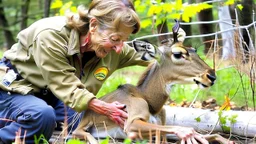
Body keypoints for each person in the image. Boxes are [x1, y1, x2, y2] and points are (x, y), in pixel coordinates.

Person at [0, 0, 209, 144]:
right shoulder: (50, 36)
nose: (120, 48)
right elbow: (65, 84)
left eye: (124, 40)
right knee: (41, 117)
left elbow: (160, 56)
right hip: (14, 89)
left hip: (51, 95)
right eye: (116, 40)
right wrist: (104, 107)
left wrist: (176, 49)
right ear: (93, 25)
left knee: (80, 120)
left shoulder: (113, 48)